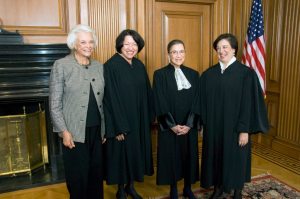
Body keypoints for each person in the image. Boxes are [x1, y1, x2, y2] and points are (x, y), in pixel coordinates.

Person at [198, 33, 269, 199]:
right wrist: (203, 124)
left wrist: (244, 130)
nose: (221, 51)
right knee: (215, 156)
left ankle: (237, 191)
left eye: (225, 47)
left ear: (234, 50)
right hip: (214, 128)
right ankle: (218, 187)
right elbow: (201, 102)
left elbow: (249, 104)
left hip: (236, 128)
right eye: (219, 48)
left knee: (236, 158)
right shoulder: (209, 74)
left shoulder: (246, 74)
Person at [49, 24, 105, 199]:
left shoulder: (98, 66)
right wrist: (63, 131)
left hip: (97, 131)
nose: (88, 46)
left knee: (96, 177)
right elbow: (54, 103)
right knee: (78, 179)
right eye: (83, 42)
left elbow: (104, 100)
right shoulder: (61, 65)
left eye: (91, 42)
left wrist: (104, 129)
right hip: (73, 133)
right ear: (74, 44)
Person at [103, 29, 154, 199]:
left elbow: (147, 92)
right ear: (120, 45)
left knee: (135, 154)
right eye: (127, 44)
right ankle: (120, 190)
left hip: (138, 120)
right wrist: (117, 127)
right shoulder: (110, 66)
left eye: (134, 44)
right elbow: (109, 99)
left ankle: (130, 186)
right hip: (121, 121)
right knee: (121, 156)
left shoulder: (139, 65)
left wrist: (149, 117)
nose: (131, 48)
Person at [153, 39, 199, 199]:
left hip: (188, 125)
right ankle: (173, 189)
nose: (178, 55)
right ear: (168, 55)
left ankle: (187, 188)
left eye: (181, 51)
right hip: (170, 126)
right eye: (174, 52)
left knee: (188, 156)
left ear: (185, 53)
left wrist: (189, 124)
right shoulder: (160, 75)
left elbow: (197, 102)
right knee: (172, 157)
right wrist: (171, 125)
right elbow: (159, 101)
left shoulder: (194, 74)